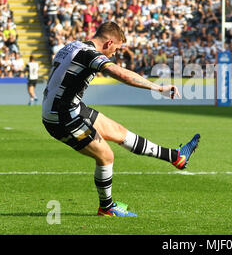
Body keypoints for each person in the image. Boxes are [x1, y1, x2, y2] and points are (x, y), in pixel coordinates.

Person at [41, 22, 201, 217]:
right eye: (116, 49)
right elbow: (121, 74)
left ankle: (176, 157)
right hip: (61, 117)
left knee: (118, 132)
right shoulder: (90, 54)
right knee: (106, 156)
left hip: (69, 108)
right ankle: (107, 208)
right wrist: (158, 88)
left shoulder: (72, 46)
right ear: (108, 42)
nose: (115, 54)